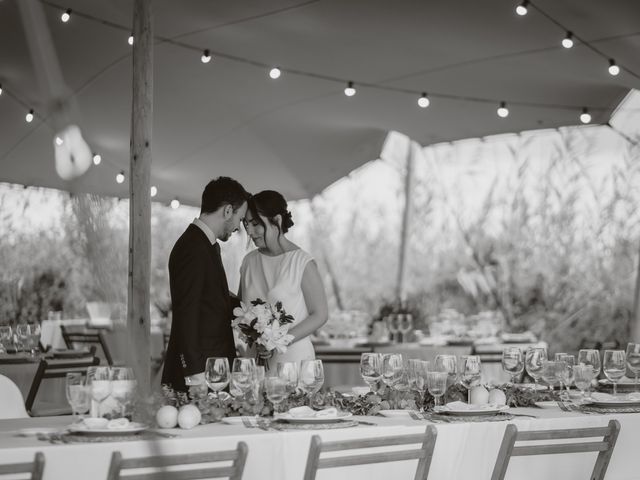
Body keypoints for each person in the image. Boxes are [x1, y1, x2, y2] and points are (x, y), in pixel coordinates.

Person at [162, 177, 250, 392]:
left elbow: (212, 300)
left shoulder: (205, 244)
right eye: (240, 218)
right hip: (200, 375)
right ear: (228, 211)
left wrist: (256, 317)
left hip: (214, 370)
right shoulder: (193, 248)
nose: (239, 227)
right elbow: (187, 313)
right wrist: (195, 376)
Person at [239, 190, 328, 370]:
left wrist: (277, 340)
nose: (249, 231)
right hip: (254, 362)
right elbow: (242, 310)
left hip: (293, 362)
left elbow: (320, 314)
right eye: (246, 224)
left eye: (256, 224)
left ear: (277, 221)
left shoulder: (302, 262)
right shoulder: (249, 261)